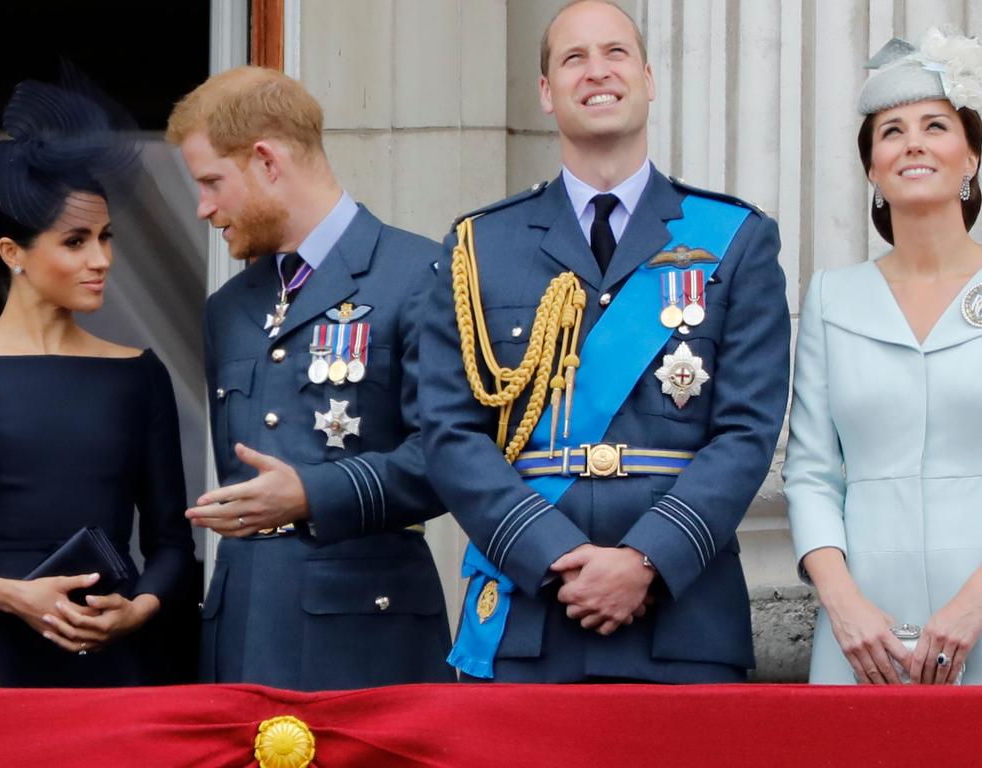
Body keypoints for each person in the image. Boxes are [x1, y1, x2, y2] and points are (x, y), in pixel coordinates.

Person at [419, 0, 789, 683]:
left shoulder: (735, 239)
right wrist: (555, 557)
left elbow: (747, 432)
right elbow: (448, 432)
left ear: (647, 78)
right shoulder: (480, 246)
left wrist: (646, 559)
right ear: (546, 93)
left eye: (616, 53)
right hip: (531, 615)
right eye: (573, 58)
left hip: (684, 617)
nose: (598, 72)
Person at [166, 66, 454, 691]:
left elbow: (450, 457)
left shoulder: (420, 273)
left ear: (266, 161)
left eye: (213, 181)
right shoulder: (228, 308)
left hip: (366, 635)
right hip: (241, 627)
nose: (203, 207)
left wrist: (312, 494)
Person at [0, 77, 196, 687]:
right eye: (76, 241)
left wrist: (137, 610)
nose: (103, 260)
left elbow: (171, 544)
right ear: (14, 252)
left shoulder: (138, 374)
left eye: (106, 237)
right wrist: (6, 594)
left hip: (108, 662)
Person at [784, 28, 982, 686]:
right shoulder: (832, 298)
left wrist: (969, 608)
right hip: (861, 639)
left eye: (935, 125)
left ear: (972, 157)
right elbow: (812, 472)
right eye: (891, 131)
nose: (914, 143)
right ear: (872, 168)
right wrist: (844, 608)